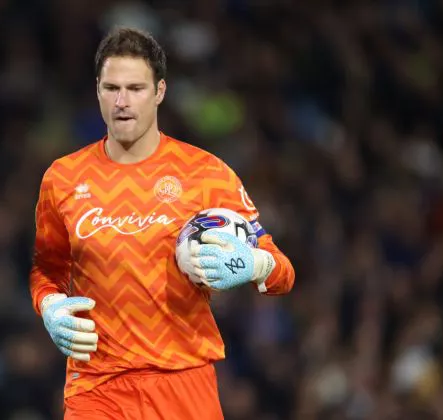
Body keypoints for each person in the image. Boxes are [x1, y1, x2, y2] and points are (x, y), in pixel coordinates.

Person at [30, 27, 295, 420]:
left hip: (183, 382)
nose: (122, 101)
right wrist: (50, 306)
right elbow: (46, 270)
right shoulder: (63, 178)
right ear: (97, 91)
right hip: (97, 387)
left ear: (160, 92)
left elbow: (283, 273)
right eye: (111, 88)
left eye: (136, 88)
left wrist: (254, 264)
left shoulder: (206, 173)